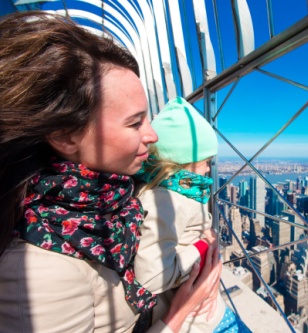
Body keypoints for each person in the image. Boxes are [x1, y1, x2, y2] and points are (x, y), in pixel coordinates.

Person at [0, 11, 221, 333]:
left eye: (148, 119)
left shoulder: (117, 199)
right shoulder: (34, 270)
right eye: (135, 122)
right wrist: (180, 313)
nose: (153, 136)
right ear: (64, 136)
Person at [134, 97, 250, 332]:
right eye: (205, 161)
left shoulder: (175, 193)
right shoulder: (164, 200)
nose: (208, 169)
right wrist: (204, 245)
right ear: (182, 162)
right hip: (195, 323)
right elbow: (152, 276)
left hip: (202, 313)